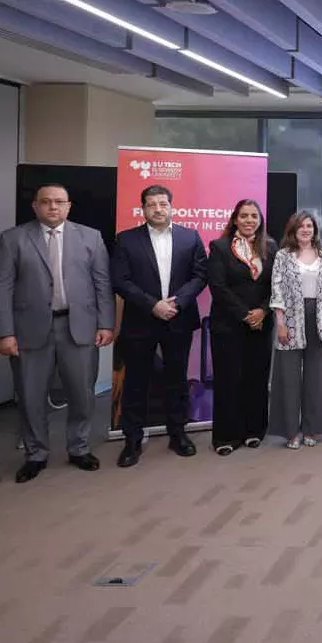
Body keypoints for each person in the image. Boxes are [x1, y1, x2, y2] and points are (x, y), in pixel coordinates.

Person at [0, 183, 114, 483]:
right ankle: (36, 453)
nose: (53, 207)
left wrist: (106, 323)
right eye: (46, 201)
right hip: (29, 330)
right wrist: (4, 332)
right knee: (31, 395)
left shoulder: (91, 237)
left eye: (59, 201)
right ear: (35, 206)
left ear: (69, 206)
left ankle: (79, 448)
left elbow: (102, 283)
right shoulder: (12, 239)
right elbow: (0, 287)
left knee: (82, 393)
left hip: (79, 327)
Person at [110, 184, 208, 468]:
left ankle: (178, 434)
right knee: (136, 382)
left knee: (177, 380)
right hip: (141, 320)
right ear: (143, 208)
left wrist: (178, 302)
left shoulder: (190, 237)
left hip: (178, 318)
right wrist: (153, 304)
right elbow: (120, 280)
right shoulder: (126, 240)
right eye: (151, 204)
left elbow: (200, 275)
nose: (158, 209)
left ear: (171, 206)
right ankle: (132, 440)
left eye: (163, 204)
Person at [206, 199, 277, 456]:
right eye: (244, 216)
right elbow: (218, 286)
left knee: (256, 379)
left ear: (260, 220)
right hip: (228, 324)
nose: (249, 220)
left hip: (261, 324)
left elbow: (277, 285)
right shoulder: (220, 247)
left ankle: (254, 431)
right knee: (228, 380)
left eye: (254, 216)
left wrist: (263, 311)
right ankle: (226, 436)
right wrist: (246, 314)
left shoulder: (270, 247)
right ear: (235, 219)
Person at [269, 210, 322, 449]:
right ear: (294, 230)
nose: (306, 230)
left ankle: (311, 428)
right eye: (301, 226)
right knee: (288, 377)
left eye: (309, 226)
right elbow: (277, 290)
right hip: (290, 320)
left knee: (317, 377)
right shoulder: (283, 256)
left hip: (319, 319)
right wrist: (280, 324)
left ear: (314, 230)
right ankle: (291, 432)